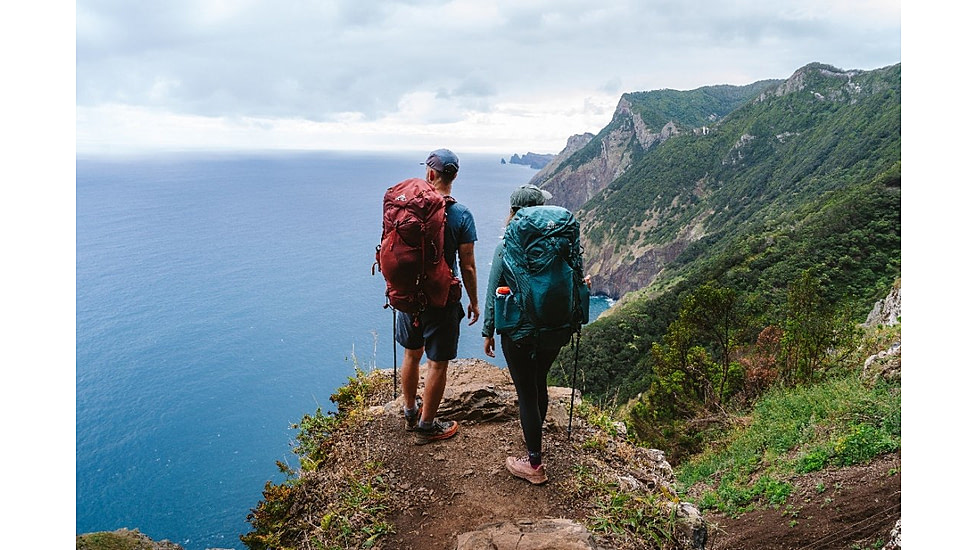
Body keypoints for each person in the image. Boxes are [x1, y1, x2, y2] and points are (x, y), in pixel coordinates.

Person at [482, 183, 564, 485]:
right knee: (539, 382)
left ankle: (534, 463)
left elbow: (493, 290)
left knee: (527, 393)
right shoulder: (559, 242)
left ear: (513, 212)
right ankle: (534, 436)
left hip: (519, 332)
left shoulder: (507, 246)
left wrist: (488, 330)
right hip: (554, 329)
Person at [398, 148, 480, 445]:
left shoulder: (408, 208)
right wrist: (474, 301)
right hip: (443, 298)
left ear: (430, 173)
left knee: (411, 354)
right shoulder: (461, 214)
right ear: (454, 176)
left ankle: (410, 412)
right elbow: (467, 265)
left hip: (409, 295)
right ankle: (427, 426)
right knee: (437, 364)